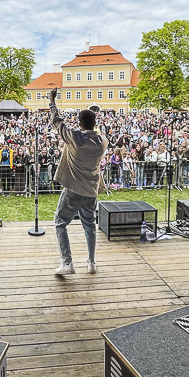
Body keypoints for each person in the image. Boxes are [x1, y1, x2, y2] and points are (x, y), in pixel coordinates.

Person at [49, 88, 108, 275]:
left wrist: (52, 101)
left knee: (60, 223)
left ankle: (67, 263)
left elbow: (57, 122)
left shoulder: (75, 138)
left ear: (80, 124)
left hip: (74, 190)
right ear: (94, 123)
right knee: (89, 225)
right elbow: (96, 133)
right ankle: (91, 263)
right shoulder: (103, 142)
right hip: (91, 190)